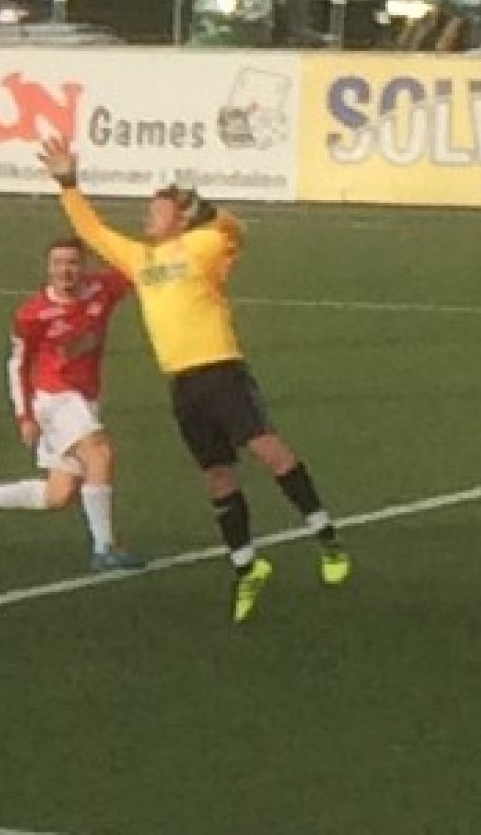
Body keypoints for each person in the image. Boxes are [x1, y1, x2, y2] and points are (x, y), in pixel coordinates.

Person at [36, 135, 352, 622]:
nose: (148, 218)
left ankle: (326, 538)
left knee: (268, 450)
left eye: (157, 211)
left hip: (221, 369)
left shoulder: (200, 247)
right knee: (217, 474)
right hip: (182, 384)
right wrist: (68, 184)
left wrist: (207, 209)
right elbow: (92, 231)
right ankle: (246, 566)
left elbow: (235, 231)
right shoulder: (140, 259)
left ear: (180, 219)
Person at [0, 240, 146, 572]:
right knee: (99, 454)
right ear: (48, 268)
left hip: (85, 399)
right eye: (58, 263)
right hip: (54, 398)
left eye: (72, 262)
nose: (65, 270)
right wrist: (24, 415)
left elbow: (138, 265)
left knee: (59, 494)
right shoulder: (32, 314)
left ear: (84, 266)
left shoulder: (101, 290)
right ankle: (104, 548)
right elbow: (17, 364)